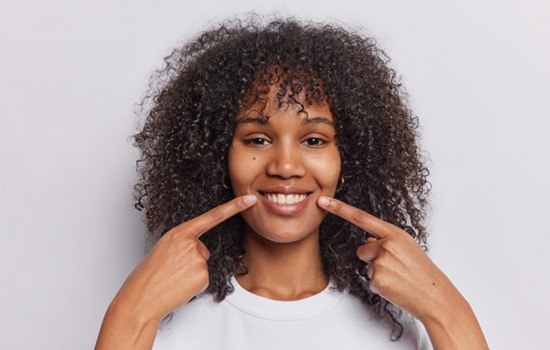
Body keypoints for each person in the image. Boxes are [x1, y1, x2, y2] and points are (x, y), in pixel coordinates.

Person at [95, 17, 489, 349]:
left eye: (314, 140)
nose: (285, 166)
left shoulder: (403, 326)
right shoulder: (159, 326)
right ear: (217, 157)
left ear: (348, 159)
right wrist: (133, 311)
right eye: (257, 140)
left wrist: (445, 310)